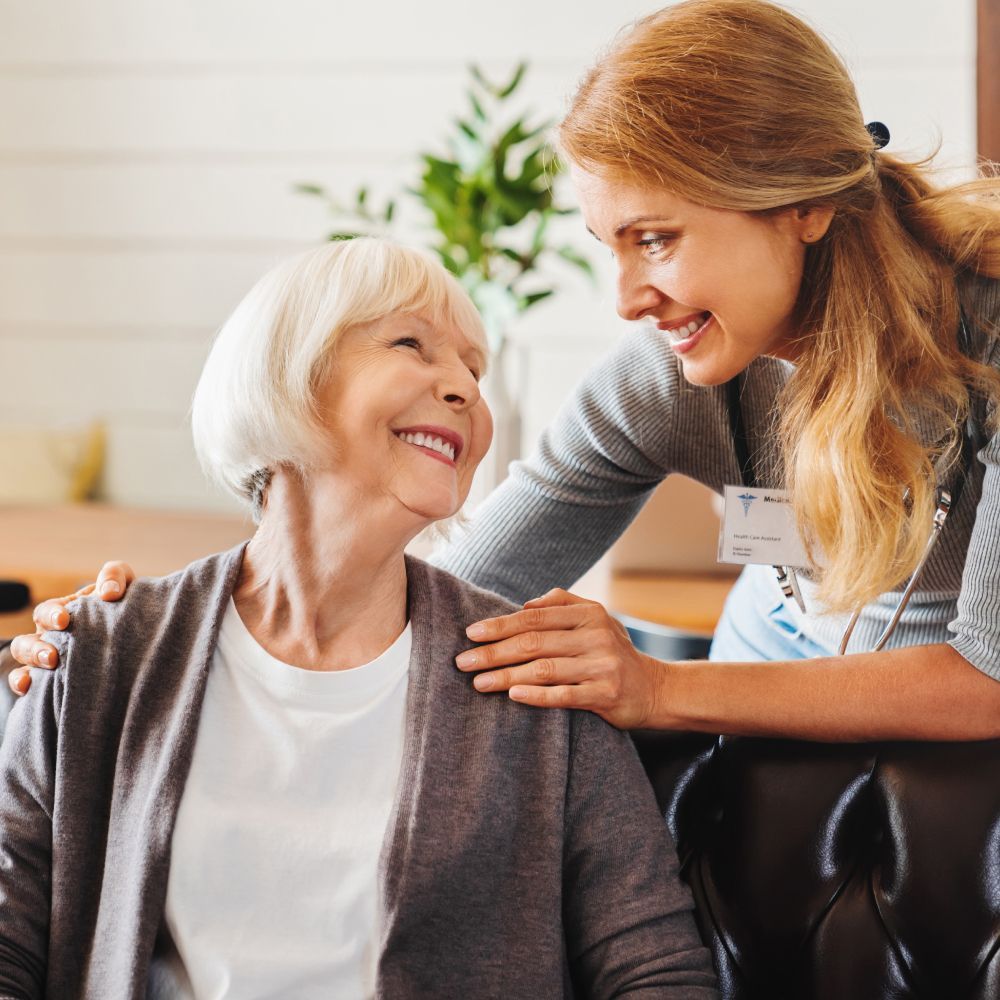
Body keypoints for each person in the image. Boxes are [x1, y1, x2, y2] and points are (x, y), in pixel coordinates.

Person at [9, 0, 1000, 742]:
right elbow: (440, 589)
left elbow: (989, 680)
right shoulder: (667, 382)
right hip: (759, 783)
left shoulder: (988, 344)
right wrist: (145, 640)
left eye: (655, 239)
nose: (625, 298)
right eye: (608, 245)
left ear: (801, 204)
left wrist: (655, 688)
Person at [0, 239, 717, 998]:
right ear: (288, 374)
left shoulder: (535, 676)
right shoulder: (103, 652)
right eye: (412, 344)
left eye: (474, 370)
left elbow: (657, 972)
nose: (464, 390)